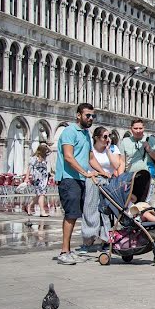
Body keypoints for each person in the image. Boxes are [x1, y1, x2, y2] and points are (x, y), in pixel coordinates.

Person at [54, 103, 98, 265]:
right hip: (68, 178)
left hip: (79, 179)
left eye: (93, 116)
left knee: (75, 215)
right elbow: (68, 157)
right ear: (78, 115)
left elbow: (91, 158)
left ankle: (69, 250)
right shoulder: (69, 131)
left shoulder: (86, 134)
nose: (91, 118)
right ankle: (64, 251)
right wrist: (85, 172)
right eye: (88, 115)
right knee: (71, 214)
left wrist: (104, 172)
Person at [81, 126, 122, 251]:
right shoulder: (90, 149)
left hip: (107, 183)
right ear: (96, 138)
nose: (108, 139)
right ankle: (89, 239)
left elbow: (116, 165)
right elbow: (87, 163)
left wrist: (108, 150)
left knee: (106, 210)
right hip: (93, 181)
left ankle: (106, 239)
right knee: (90, 209)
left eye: (109, 136)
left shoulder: (113, 149)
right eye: (105, 137)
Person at [24, 143, 51, 217]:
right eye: (44, 150)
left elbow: (50, 151)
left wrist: (46, 145)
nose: (45, 152)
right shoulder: (33, 158)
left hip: (44, 179)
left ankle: (29, 206)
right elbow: (29, 169)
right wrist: (26, 178)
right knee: (41, 194)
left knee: (39, 195)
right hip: (37, 179)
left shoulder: (45, 157)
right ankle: (42, 211)